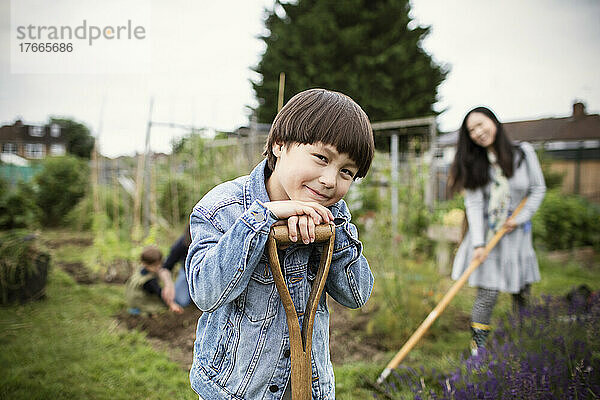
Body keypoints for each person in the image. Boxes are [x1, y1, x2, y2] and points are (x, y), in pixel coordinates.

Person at [185, 88, 375, 400]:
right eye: (321, 158)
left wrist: (334, 228)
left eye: (346, 171)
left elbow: (356, 294)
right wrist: (262, 219)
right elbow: (205, 293)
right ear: (279, 145)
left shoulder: (332, 215)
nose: (330, 179)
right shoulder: (224, 208)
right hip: (236, 388)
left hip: (307, 386)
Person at [449, 106, 546, 355]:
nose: (478, 132)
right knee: (488, 292)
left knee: (522, 290)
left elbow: (537, 189)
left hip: (517, 236)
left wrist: (519, 218)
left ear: (494, 121)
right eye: (472, 130)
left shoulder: (523, 154)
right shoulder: (474, 163)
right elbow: (474, 203)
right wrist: (479, 244)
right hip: (489, 237)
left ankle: (526, 342)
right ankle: (477, 351)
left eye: (481, 124)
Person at [126, 245, 183, 315]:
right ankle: (142, 311)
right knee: (159, 307)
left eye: (160, 264)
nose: (158, 267)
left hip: (133, 299)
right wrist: (172, 304)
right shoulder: (149, 281)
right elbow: (160, 293)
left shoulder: (141, 271)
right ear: (145, 263)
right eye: (155, 266)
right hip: (140, 302)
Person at [160, 224, 193, 308]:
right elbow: (165, 268)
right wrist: (168, 285)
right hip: (187, 274)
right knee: (181, 301)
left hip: (211, 274)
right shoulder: (182, 243)